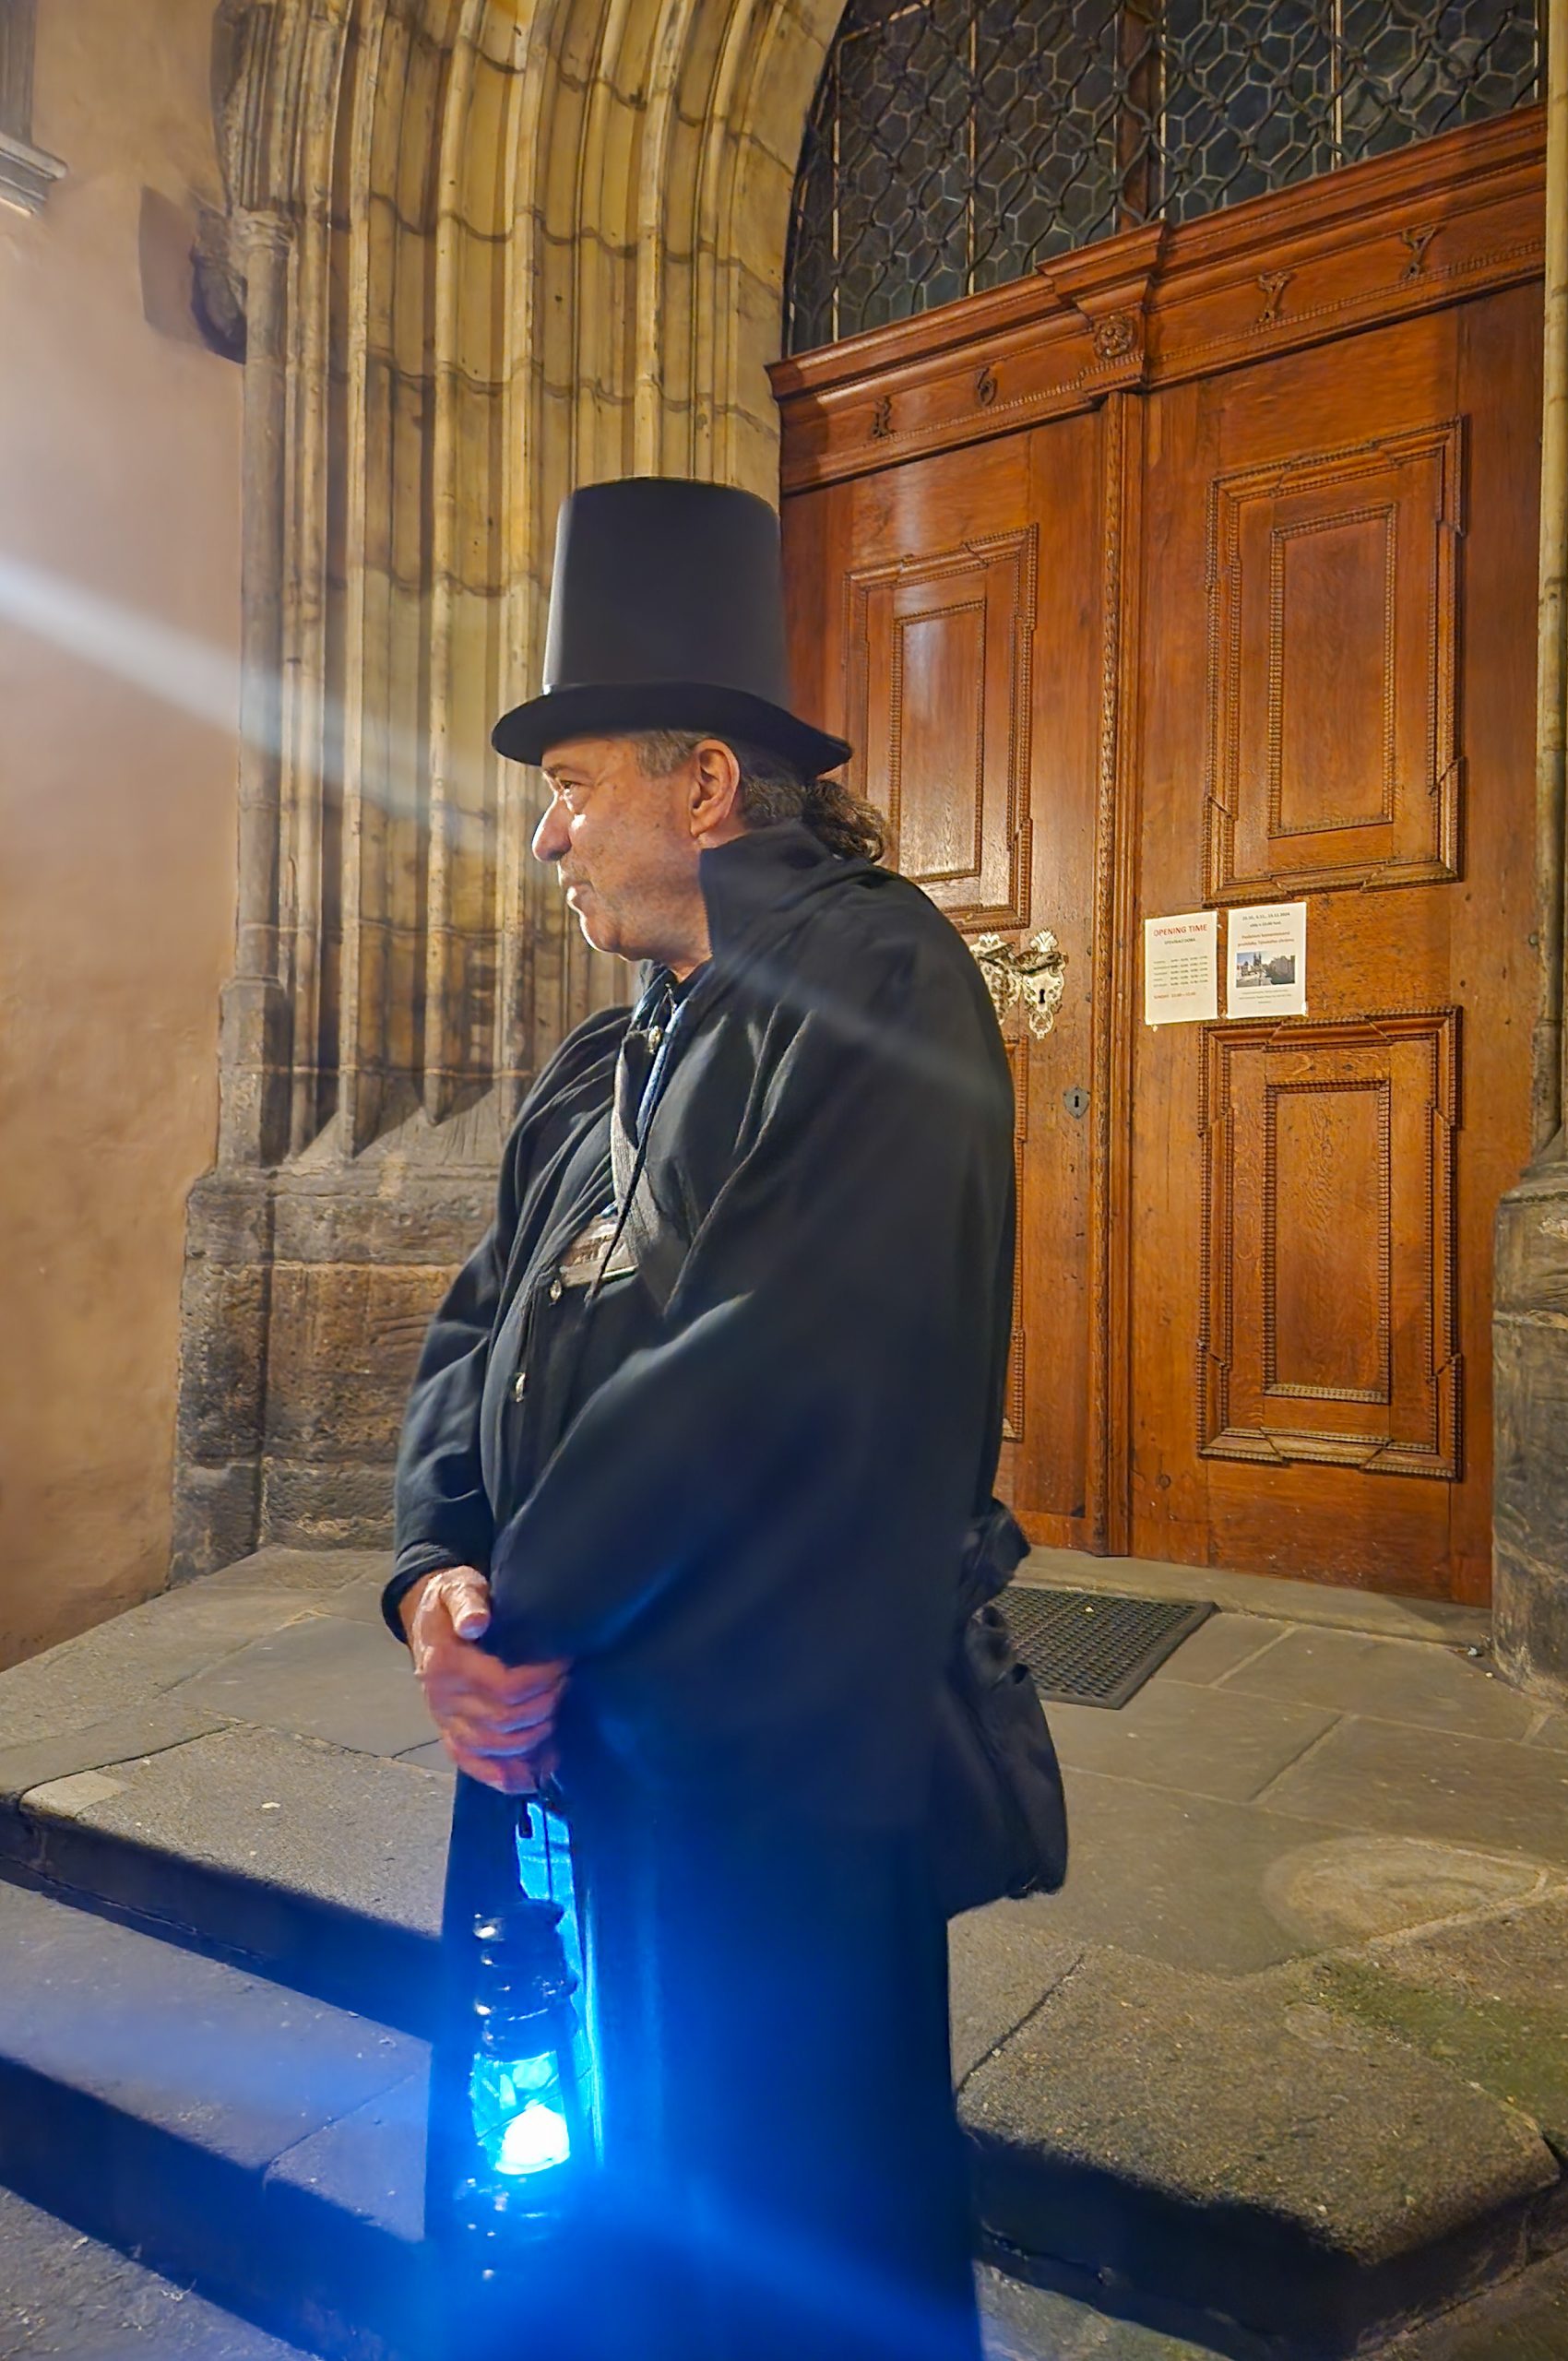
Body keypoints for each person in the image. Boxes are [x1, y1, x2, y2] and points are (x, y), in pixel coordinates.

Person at [385, 477, 1018, 2361]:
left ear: (706, 788)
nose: (546, 835)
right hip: (566, 1734)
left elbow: (776, 1352)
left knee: (783, 2219)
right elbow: (477, 1321)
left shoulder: (877, 972)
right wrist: (436, 1571)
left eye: (575, 784)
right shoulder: (605, 1052)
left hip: (762, 1753)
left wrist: (527, 1612)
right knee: (569, 2211)